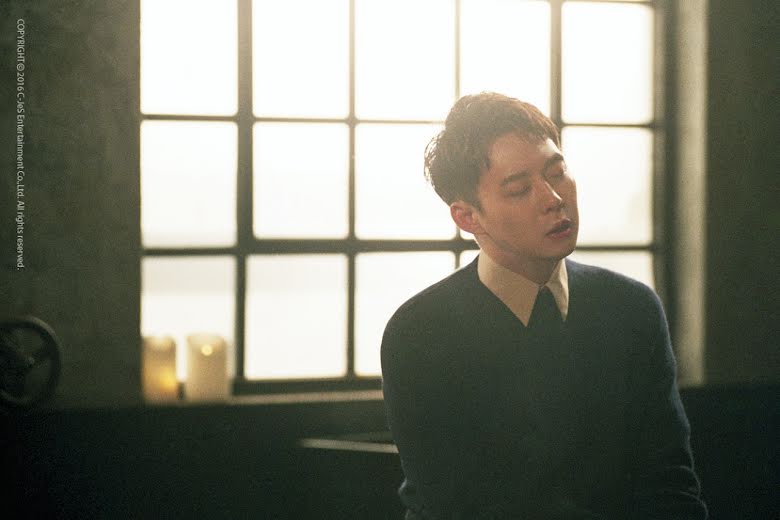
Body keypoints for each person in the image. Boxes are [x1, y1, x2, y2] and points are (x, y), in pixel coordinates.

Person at [380, 92, 707, 519]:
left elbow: (671, 484)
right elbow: (458, 505)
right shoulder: (421, 332)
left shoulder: (631, 309)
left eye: (557, 173)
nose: (553, 197)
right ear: (467, 217)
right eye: (519, 189)